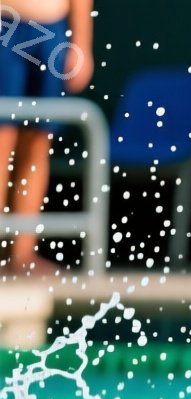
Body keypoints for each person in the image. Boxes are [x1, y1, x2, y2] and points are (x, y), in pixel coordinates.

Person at [0, 0, 93, 279]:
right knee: (2, 141)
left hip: (51, 29)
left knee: (38, 144)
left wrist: (82, 45)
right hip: (6, 24)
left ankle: (22, 254)